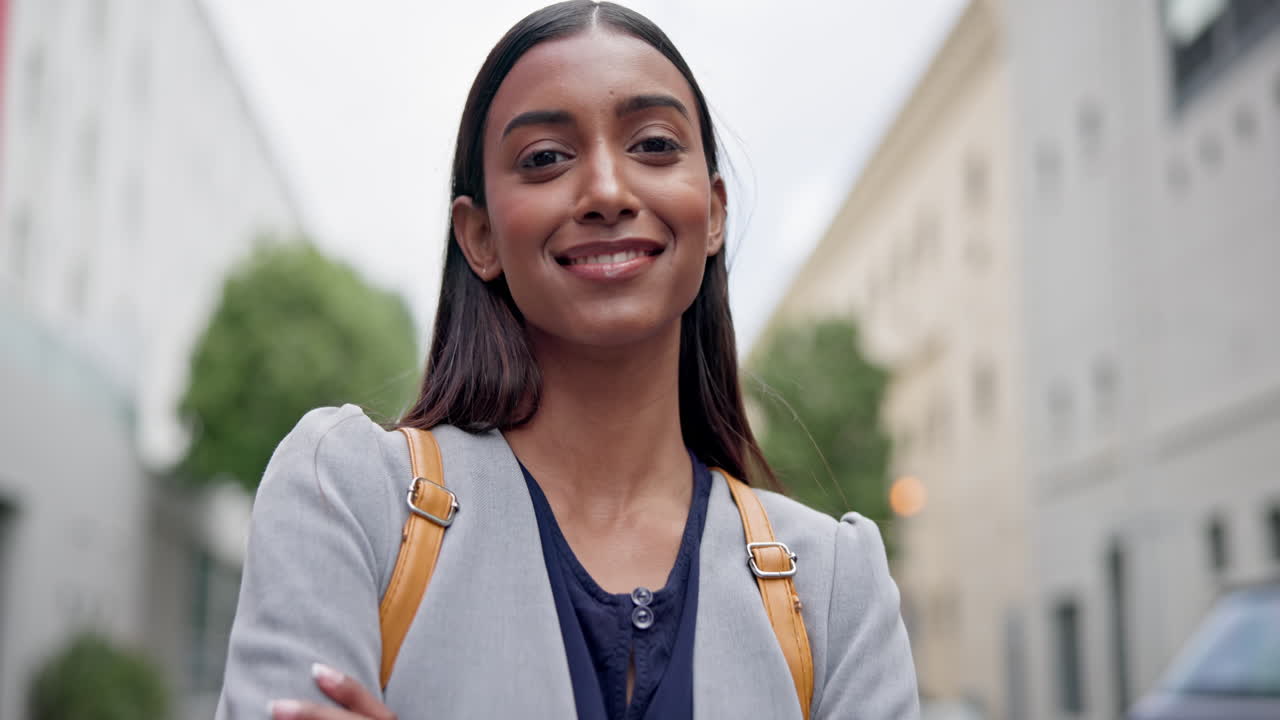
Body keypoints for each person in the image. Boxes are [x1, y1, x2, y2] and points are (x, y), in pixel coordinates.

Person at [216, 2, 919, 718]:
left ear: (712, 213)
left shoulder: (835, 588)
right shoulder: (350, 499)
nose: (608, 193)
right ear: (480, 235)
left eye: (652, 145)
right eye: (546, 158)